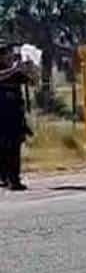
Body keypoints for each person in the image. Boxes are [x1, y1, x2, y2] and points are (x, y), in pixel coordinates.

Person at [0, 44, 35, 191]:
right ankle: (5, 176)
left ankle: (13, 179)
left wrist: (30, 67)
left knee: (13, 148)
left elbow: (33, 81)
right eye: (6, 53)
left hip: (14, 116)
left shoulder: (15, 72)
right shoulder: (9, 70)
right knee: (3, 148)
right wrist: (14, 69)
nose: (10, 56)